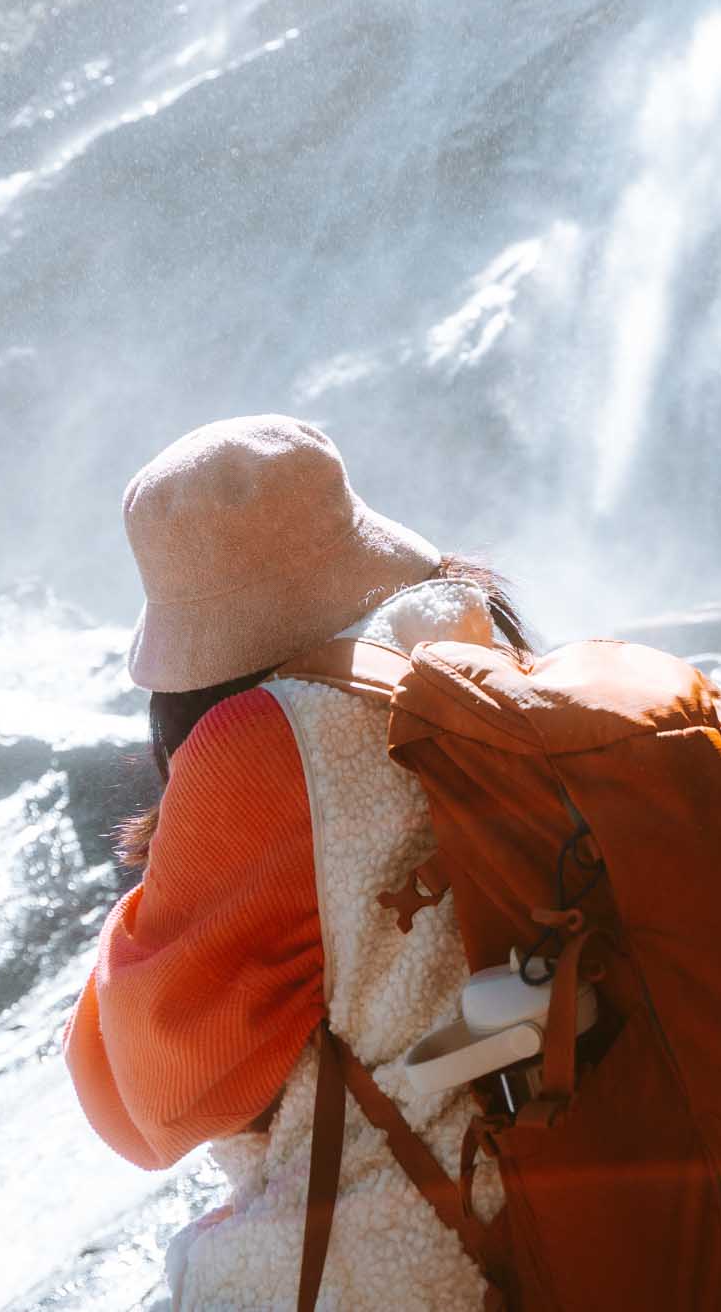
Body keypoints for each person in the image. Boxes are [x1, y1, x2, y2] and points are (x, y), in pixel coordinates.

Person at [64, 413, 529, 1308]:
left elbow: (159, 1100)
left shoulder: (264, 744)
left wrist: (151, 897)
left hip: (415, 1245)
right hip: (591, 1158)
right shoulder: (471, 628)